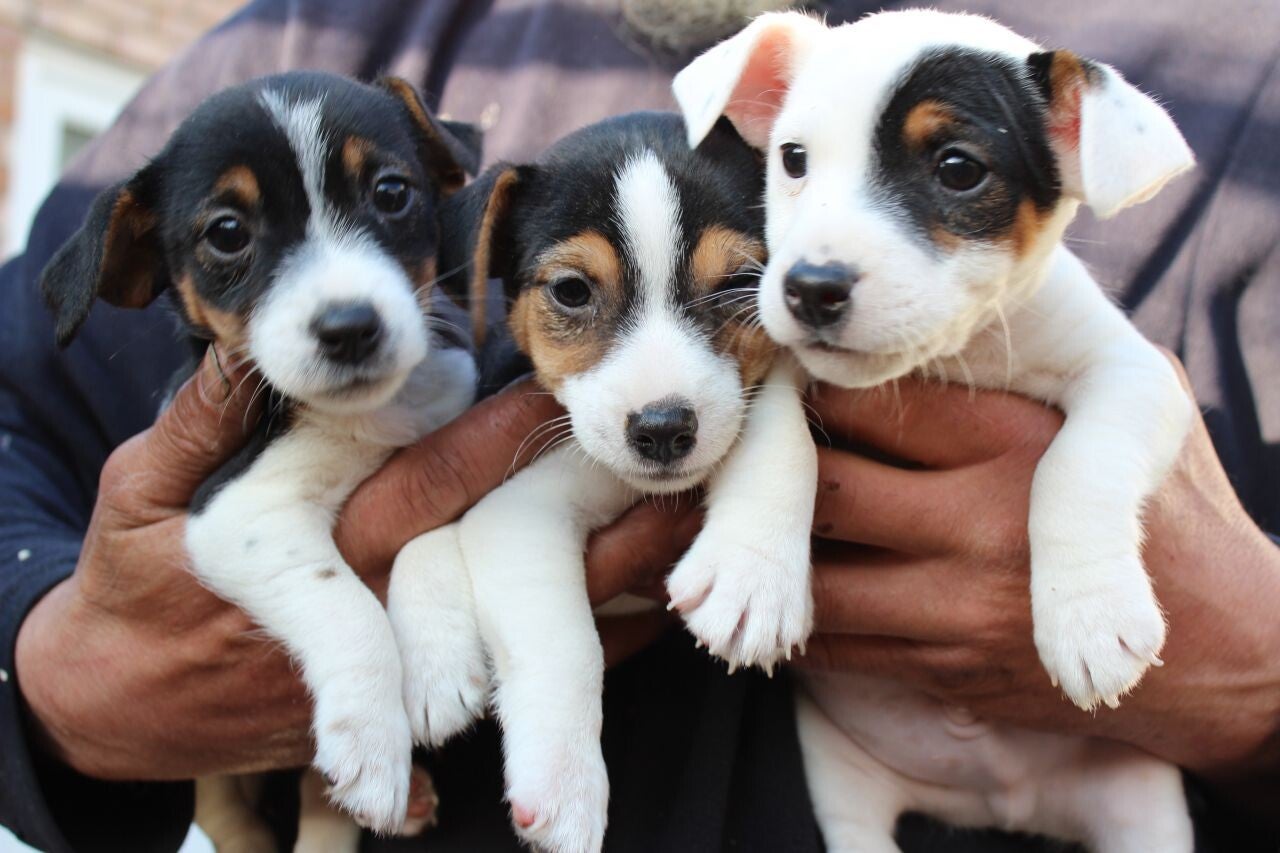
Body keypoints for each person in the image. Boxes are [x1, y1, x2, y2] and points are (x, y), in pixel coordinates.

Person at [1, 1, 1276, 851]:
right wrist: (45, 663)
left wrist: (1258, 671)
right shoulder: (323, 41)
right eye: (569, 297)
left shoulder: (1228, 81)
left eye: (735, 290)